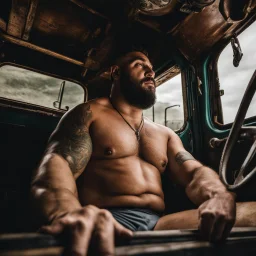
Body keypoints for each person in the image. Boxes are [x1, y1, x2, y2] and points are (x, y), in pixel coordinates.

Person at [31, 50, 246, 256]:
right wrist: (68, 212)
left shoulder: (165, 134)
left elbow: (194, 173)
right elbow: (57, 166)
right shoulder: (89, 114)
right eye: (139, 65)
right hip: (108, 220)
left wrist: (218, 194)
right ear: (116, 73)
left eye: (151, 68)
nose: (150, 71)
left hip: (160, 223)